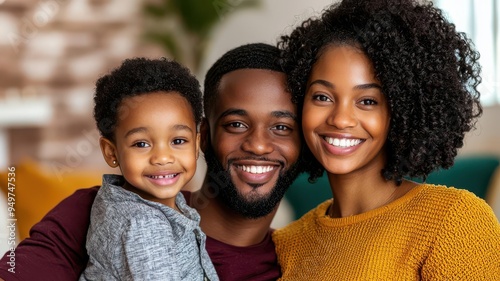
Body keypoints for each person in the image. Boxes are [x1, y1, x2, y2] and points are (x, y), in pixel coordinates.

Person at [0, 43, 303, 281]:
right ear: (206, 135)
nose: (259, 144)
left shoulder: (302, 255)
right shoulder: (97, 210)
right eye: (236, 124)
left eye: (282, 128)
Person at [272, 0, 500, 280]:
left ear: (402, 110)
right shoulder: (288, 243)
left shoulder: (454, 221)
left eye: (367, 101)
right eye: (322, 97)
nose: (341, 119)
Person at [78, 57, 219, 280]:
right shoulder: (144, 226)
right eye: (141, 144)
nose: (162, 158)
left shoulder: (136, 201)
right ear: (111, 152)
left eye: (178, 141)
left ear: (196, 144)